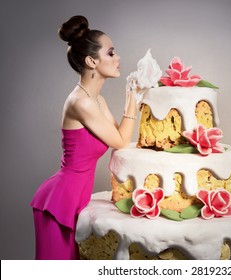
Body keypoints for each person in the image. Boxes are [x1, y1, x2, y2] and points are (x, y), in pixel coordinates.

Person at [30, 15, 137, 259]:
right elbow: (120, 141)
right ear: (91, 60)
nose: (118, 58)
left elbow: (119, 137)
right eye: (111, 53)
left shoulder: (96, 100)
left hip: (77, 199)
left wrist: (133, 99)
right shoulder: (81, 103)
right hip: (59, 202)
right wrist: (133, 98)